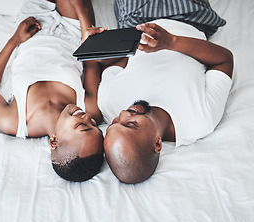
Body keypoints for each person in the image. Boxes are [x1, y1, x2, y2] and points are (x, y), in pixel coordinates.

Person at [84, 0, 233, 184]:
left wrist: (98, 47)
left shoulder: (109, 104)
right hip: (189, 16)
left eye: (115, 123)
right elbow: (224, 60)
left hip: (134, 21)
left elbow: (118, 61)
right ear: (157, 144)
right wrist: (171, 42)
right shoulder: (199, 120)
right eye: (130, 125)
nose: (123, 113)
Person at [0, 0, 106, 182]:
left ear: (54, 141)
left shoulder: (13, 120)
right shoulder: (90, 108)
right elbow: (92, 65)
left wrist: (14, 41)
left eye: (82, 126)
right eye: (94, 125)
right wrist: (87, 30)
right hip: (74, 34)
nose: (87, 117)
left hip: (31, 33)